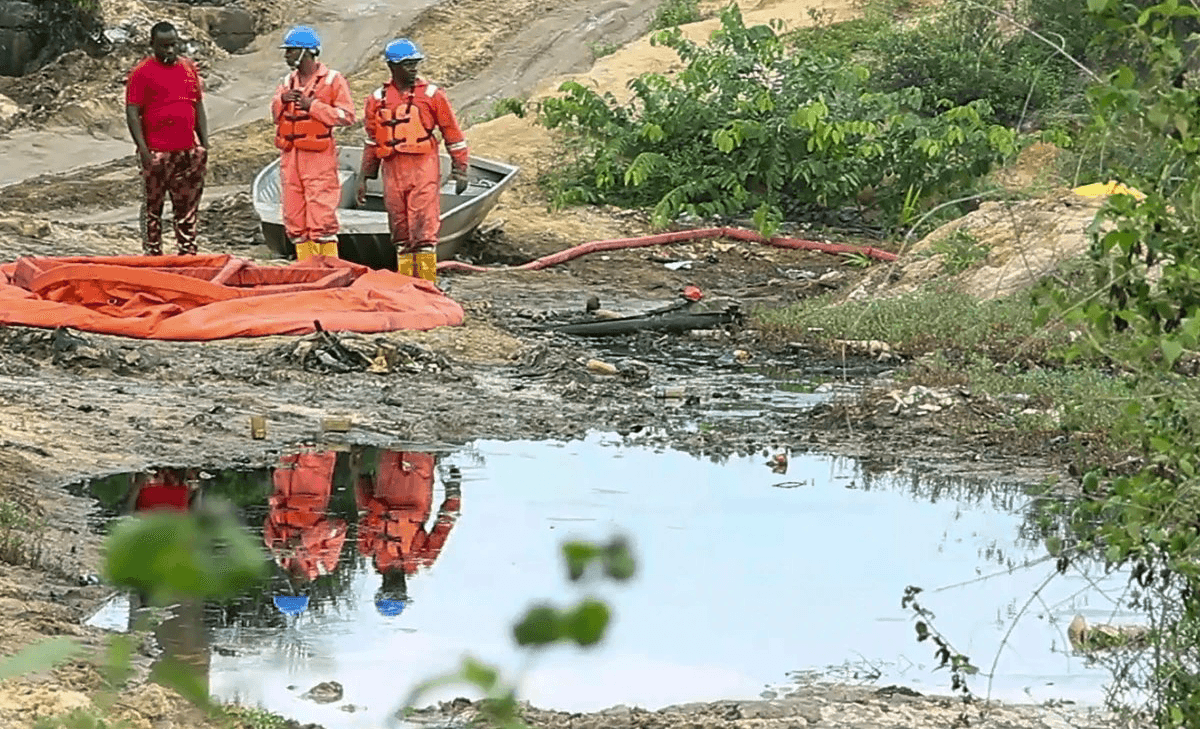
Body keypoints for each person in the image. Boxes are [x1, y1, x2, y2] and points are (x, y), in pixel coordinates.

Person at [357, 38, 470, 284]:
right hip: (392, 171)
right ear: (392, 66)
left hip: (423, 168)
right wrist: (364, 176)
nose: (414, 69)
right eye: (407, 64)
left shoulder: (432, 95)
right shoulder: (377, 99)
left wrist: (461, 169)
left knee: (423, 230)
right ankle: (407, 287)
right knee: (400, 231)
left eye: (415, 63)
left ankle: (426, 286)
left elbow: (452, 133)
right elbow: (372, 139)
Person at [270, 26, 356, 262]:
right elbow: (275, 114)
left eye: (291, 50)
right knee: (295, 217)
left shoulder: (333, 80)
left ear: (306, 52)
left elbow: (347, 116)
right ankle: (306, 271)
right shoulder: (287, 81)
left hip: (318, 157)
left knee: (322, 216)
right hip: (291, 156)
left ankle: (329, 271)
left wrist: (313, 106)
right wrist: (281, 101)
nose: (286, 55)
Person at [125, 21, 209, 256]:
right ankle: (153, 253)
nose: (170, 51)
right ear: (153, 45)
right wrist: (142, 149)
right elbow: (132, 111)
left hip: (188, 151)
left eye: (173, 45)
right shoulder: (141, 73)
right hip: (157, 151)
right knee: (154, 206)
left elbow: (197, 106)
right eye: (164, 46)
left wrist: (204, 144)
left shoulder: (188, 68)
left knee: (187, 206)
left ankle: (187, 252)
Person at [355, 451, 461, 617]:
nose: (398, 589)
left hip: (387, 486)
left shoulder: (369, 550)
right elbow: (444, 524)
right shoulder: (423, 558)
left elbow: (364, 512)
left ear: (382, 589)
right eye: (401, 594)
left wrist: (361, 477)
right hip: (418, 488)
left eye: (392, 593)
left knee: (393, 441)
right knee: (421, 446)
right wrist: (453, 493)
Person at [263, 449, 348, 584]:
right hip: (311, 490)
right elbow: (338, 528)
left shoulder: (280, 559)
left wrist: (274, 543)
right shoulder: (324, 565)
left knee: (287, 442)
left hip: (283, 489)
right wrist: (304, 540)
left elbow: (268, 522)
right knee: (316, 447)